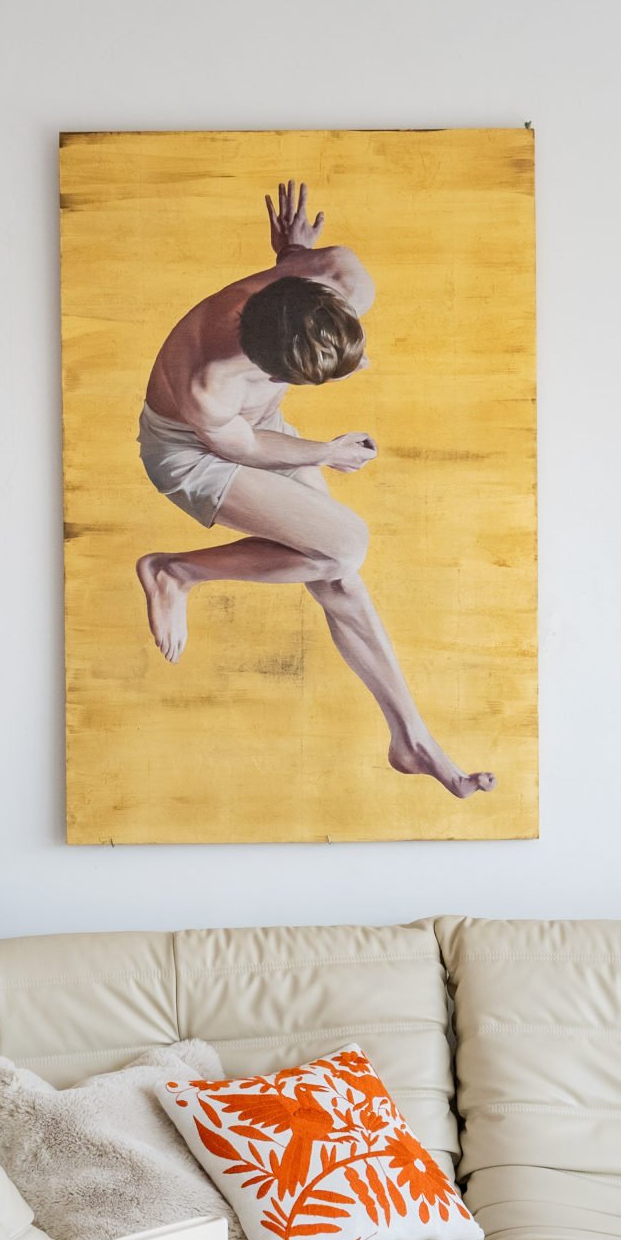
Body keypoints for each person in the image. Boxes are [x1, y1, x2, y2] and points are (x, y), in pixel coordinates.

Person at [133, 181, 495, 799]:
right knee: (344, 545)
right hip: (196, 451)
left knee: (334, 574)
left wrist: (291, 258)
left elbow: (306, 284)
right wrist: (327, 451)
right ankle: (175, 572)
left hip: (258, 424)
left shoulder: (342, 275)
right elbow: (243, 446)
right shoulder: (206, 383)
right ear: (260, 360)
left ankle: (412, 740)